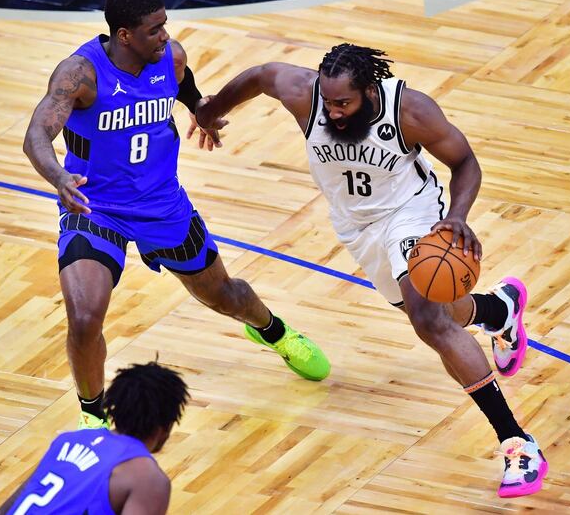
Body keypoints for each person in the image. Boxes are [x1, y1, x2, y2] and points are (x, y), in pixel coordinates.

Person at [195, 44, 548, 497]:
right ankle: (497, 310)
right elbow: (262, 75)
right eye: (329, 101)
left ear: (370, 91)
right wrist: (212, 111)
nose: (335, 113)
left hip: (411, 212)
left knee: (429, 321)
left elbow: (465, 162)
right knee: (439, 315)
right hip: (356, 227)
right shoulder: (306, 94)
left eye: (345, 103)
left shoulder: (410, 110)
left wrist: (457, 215)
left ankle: (517, 442)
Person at [23, 0, 331, 430]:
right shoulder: (81, 74)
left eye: (165, 25)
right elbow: (36, 135)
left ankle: (275, 332)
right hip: (96, 207)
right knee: (85, 318)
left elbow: (185, 86)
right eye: (154, 29)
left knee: (227, 297)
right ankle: (94, 414)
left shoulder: (172, 56)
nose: (165, 35)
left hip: (163, 203)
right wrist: (58, 178)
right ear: (124, 35)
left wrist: (200, 109)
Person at [0, 361, 188, 514]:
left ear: (114, 408)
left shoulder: (66, 442)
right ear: (167, 424)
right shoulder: (147, 479)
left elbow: (6, 510)